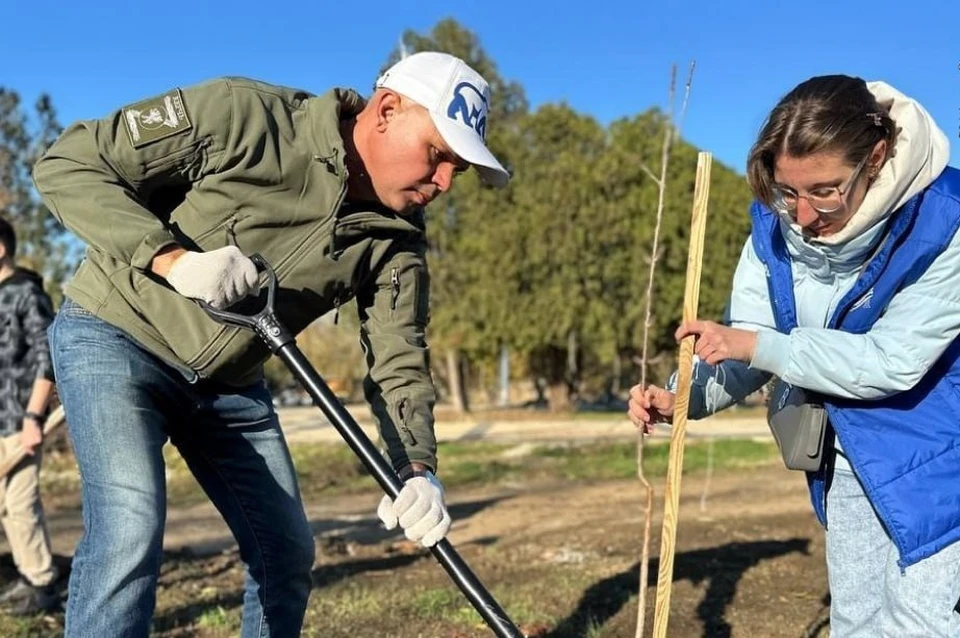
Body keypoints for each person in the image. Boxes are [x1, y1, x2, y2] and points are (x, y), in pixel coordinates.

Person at [32, 51, 510, 637]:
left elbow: (398, 356)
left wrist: (417, 469)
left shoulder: (396, 241)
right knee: (130, 524)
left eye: (456, 172)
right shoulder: (245, 115)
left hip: (230, 382)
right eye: (438, 155)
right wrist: (174, 261)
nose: (441, 184)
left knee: (286, 552)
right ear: (386, 110)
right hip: (116, 332)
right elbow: (68, 164)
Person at [628, 75, 960, 637]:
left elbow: (891, 360)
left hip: (941, 454)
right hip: (849, 456)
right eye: (788, 191)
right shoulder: (773, 231)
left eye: (824, 190)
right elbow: (746, 344)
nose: (802, 215)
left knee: (920, 624)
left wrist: (759, 345)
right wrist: (683, 392)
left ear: (876, 158)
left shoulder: (945, 222)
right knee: (856, 623)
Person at [0, 217, 60, 616]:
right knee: (6, 507)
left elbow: (48, 354)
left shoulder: (24, 292)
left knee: (20, 503)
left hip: (21, 419)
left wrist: (34, 417)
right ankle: (29, 574)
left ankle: (43, 584)